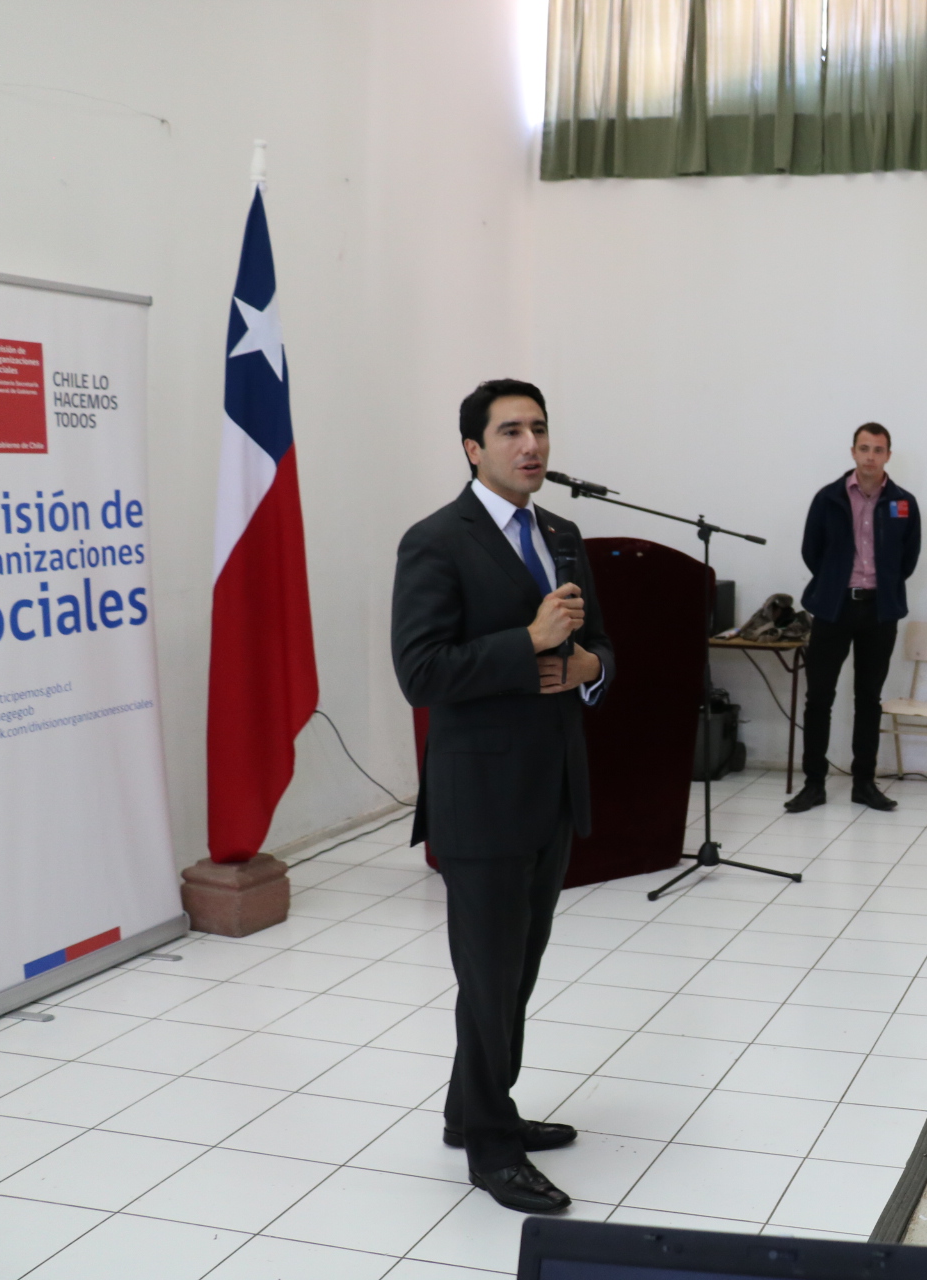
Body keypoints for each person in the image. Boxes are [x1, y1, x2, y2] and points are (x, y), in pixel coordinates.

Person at [391, 379, 613, 1214]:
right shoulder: (434, 542)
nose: (532, 445)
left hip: (551, 789)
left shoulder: (561, 534)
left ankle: (469, 1109)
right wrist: (527, 642)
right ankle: (490, 1147)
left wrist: (588, 666)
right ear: (473, 448)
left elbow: (598, 646)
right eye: (511, 430)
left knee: (516, 970)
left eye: (540, 428)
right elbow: (421, 672)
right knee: (488, 977)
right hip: (480, 797)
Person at [786, 423, 921, 814]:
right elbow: (812, 550)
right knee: (819, 698)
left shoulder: (903, 502)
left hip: (879, 611)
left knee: (868, 698)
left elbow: (908, 557)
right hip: (834, 608)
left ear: (888, 455)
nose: (870, 457)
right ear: (852, 452)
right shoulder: (828, 498)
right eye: (864, 448)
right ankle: (814, 784)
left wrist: (883, 584)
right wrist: (834, 582)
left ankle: (864, 784)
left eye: (878, 450)